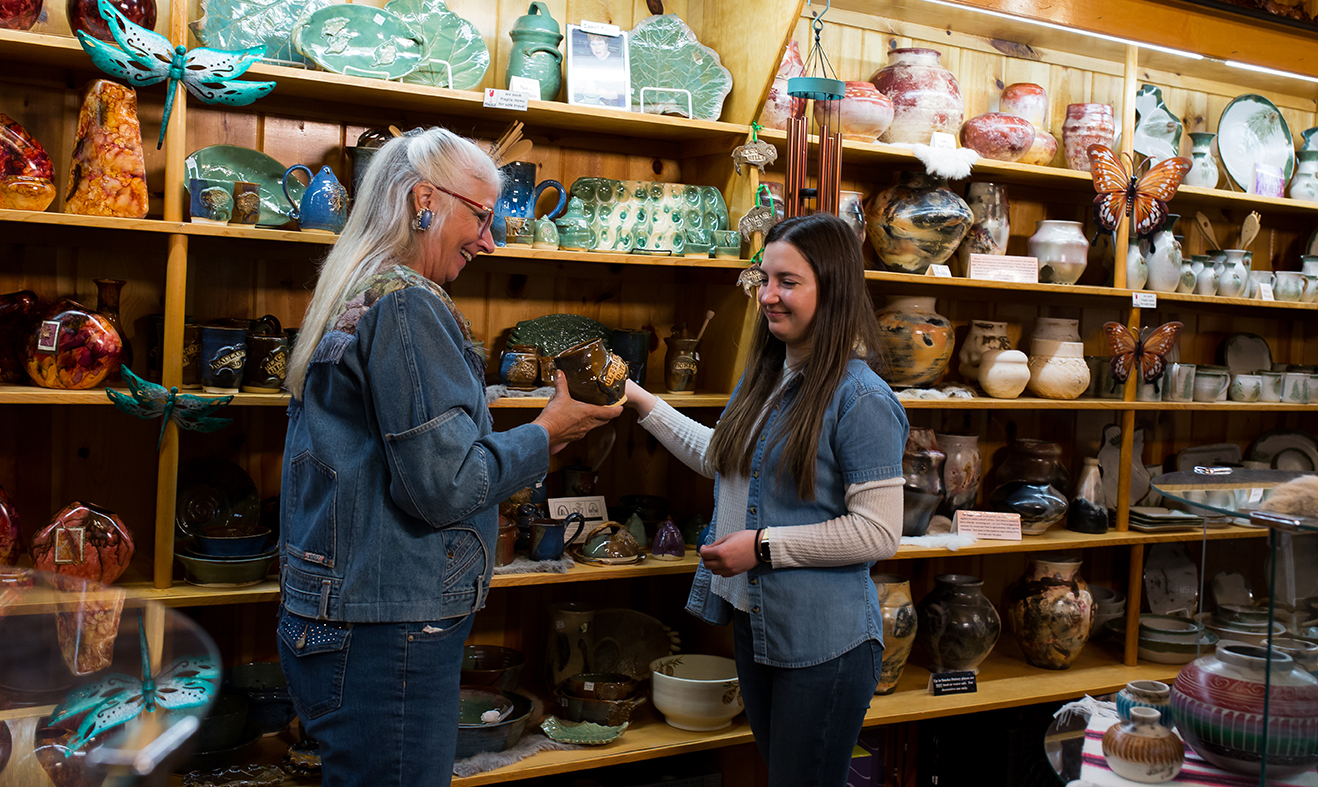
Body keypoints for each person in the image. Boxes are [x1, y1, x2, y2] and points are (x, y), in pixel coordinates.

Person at [277, 127, 621, 787]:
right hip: (387, 630)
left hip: (343, 619)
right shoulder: (405, 304)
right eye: (482, 215)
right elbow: (445, 485)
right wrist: (550, 430)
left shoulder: (358, 289)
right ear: (424, 200)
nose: (490, 241)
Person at [624, 213, 908, 787]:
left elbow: (879, 532)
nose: (769, 296)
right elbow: (723, 458)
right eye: (764, 279)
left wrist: (761, 546)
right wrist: (637, 400)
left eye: (788, 282)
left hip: (825, 645)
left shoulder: (862, 398)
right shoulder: (770, 374)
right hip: (759, 627)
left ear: (833, 288)